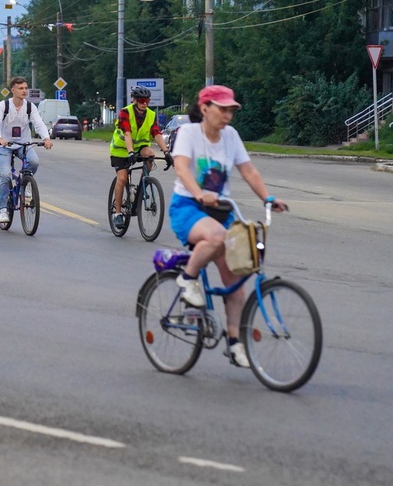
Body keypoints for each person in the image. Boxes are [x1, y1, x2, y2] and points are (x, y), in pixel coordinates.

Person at [169, 85, 287, 369]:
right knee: (217, 236)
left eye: (231, 109)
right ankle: (187, 278)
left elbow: (249, 171)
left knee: (237, 282)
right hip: (188, 207)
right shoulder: (188, 133)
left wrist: (268, 198)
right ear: (205, 108)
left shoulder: (231, 137)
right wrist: (198, 193)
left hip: (220, 211)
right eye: (222, 109)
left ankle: (234, 344)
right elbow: (181, 167)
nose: (228, 115)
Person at [0, 78, 53, 223]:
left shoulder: (30, 107)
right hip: (4, 145)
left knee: (34, 162)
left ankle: (25, 183)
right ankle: (3, 210)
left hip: (23, 144)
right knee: (5, 175)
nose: (24, 91)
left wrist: (46, 138)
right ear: (13, 90)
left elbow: (39, 123)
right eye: (20, 88)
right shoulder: (3, 106)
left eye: (25, 88)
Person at [109, 85, 172, 230]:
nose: (145, 103)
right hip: (120, 149)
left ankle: (144, 183)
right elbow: (127, 133)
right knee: (123, 178)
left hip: (139, 147)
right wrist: (130, 152)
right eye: (142, 100)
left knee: (150, 154)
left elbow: (156, 133)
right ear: (135, 100)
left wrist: (167, 152)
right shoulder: (125, 112)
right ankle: (118, 213)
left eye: (147, 101)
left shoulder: (150, 114)